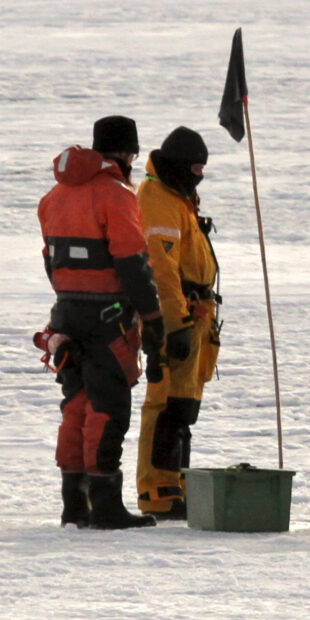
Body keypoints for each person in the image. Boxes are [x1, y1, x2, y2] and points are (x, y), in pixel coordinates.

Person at [39, 115, 164, 529]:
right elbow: (133, 265)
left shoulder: (54, 196)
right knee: (108, 408)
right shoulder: (117, 195)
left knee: (76, 406)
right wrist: (152, 319)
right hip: (108, 317)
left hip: (65, 313)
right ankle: (106, 505)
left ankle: (75, 505)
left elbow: (50, 261)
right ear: (129, 153)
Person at [136, 125, 221, 518]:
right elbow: (162, 271)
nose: (197, 178)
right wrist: (176, 325)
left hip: (198, 315)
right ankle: (158, 491)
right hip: (179, 315)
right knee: (165, 403)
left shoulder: (179, 196)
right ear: (178, 167)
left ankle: (176, 481)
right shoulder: (158, 200)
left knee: (184, 407)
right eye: (194, 170)